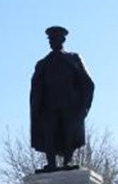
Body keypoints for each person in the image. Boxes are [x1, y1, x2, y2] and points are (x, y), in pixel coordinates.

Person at [30, 25, 95, 172]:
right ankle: (51, 163)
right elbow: (36, 88)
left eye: (55, 38)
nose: (52, 42)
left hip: (70, 106)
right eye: (50, 39)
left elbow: (88, 83)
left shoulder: (73, 58)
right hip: (48, 107)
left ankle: (68, 161)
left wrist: (83, 107)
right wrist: (36, 108)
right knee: (49, 134)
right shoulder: (43, 63)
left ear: (63, 39)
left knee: (69, 133)